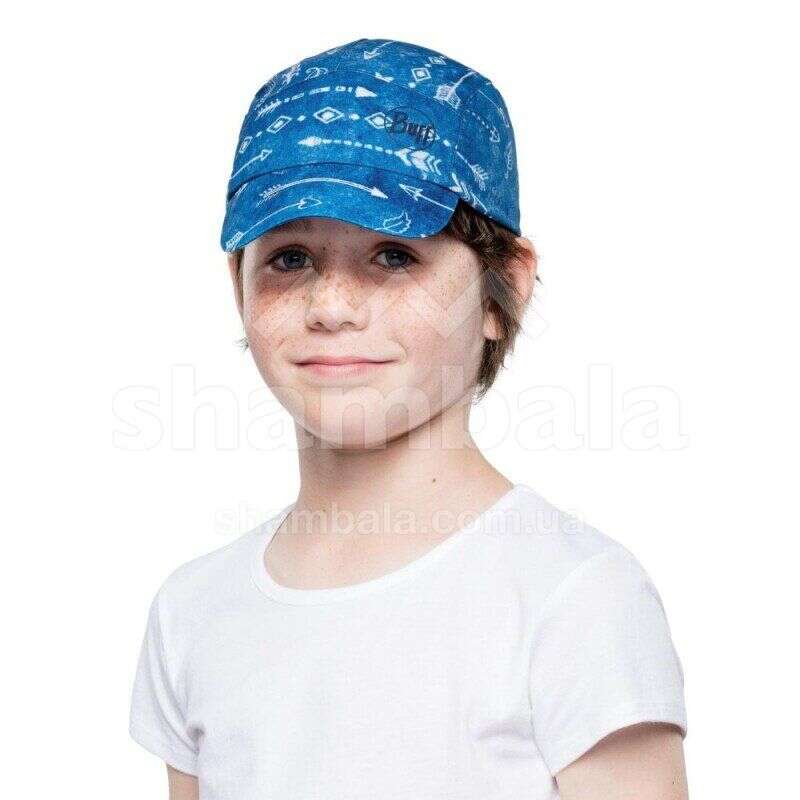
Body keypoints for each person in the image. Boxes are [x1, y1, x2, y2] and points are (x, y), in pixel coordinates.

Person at [129, 37, 689, 800]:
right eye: (290, 258)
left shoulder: (574, 600)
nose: (331, 307)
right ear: (240, 284)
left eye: (395, 255)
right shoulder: (193, 612)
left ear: (504, 288)